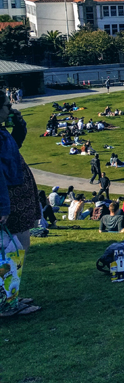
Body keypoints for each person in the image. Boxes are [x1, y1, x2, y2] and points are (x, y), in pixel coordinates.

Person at [0, 90, 42, 317]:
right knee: (12, 253)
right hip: (10, 202)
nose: (11, 107)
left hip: (16, 200)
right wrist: (3, 207)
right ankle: (7, 303)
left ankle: (11, 295)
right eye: (7, 105)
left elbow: (13, 148)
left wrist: (19, 126)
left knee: (14, 252)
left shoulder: (2, 133)